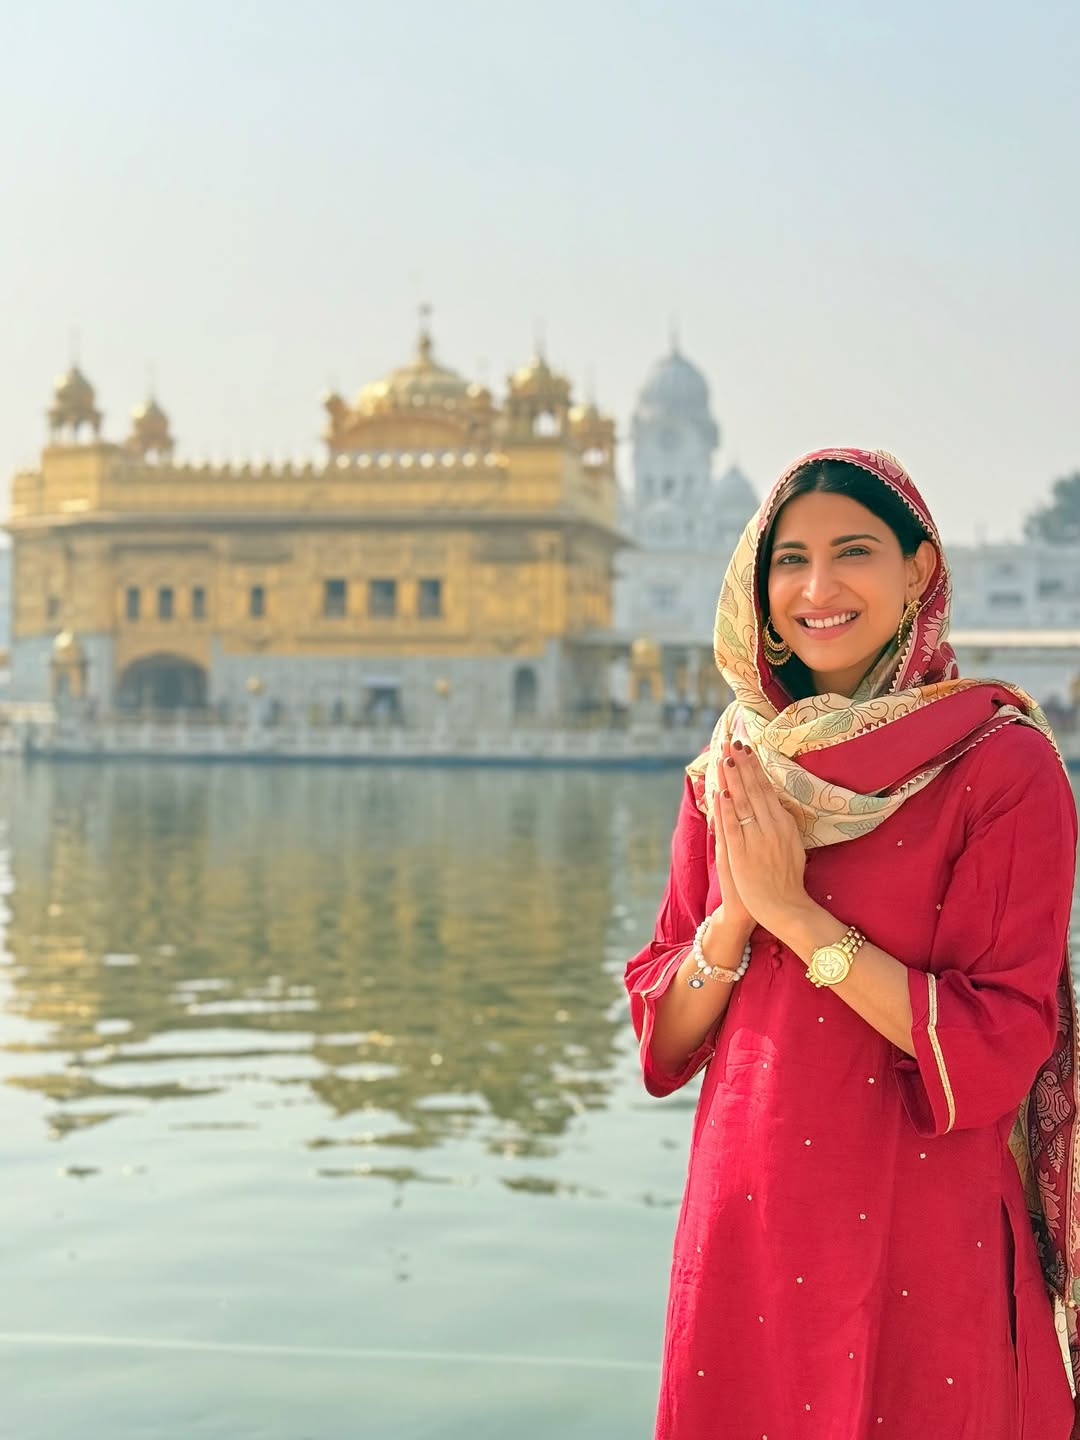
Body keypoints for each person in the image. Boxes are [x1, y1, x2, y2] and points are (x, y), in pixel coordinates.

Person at [624, 448, 1080, 1440]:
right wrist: (738, 915)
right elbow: (663, 1029)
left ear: (919, 571)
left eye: (854, 553)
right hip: (747, 1211)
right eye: (790, 560)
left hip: (922, 1217)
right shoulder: (737, 765)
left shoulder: (1001, 764)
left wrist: (798, 919)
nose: (817, 589)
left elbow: (1000, 1043)